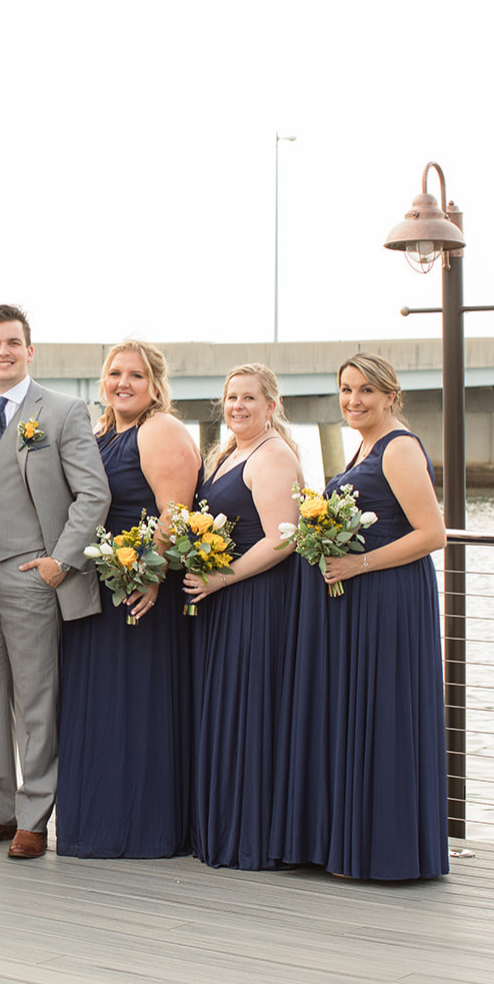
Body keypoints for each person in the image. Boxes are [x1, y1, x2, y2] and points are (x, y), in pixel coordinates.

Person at [272, 353, 448, 879]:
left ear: (391, 395)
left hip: (389, 597)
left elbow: (432, 534)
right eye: (346, 390)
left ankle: (385, 851)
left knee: (385, 712)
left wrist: (360, 562)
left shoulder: (398, 448)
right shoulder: (365, 446)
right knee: (361, 713)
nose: (353, 401)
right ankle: (356, 842)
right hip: (360, 597)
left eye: (366, 391)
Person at [0, 305, 110, 859]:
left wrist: (60, 562)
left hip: (34, 574)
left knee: (37, 699)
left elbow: (94, 494)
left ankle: (35, 815)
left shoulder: (63, 411)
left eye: (13, 342)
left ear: (30, 350)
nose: (3, 352)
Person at [56, 340, 199, 858]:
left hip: (140, 590)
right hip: (98, 586)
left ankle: (142, 828)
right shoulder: (100, 433)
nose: (123, 383)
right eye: (115, 373)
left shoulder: (160, 430)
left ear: (155, 385)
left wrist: (150, 573)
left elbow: (174, 511)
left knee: (136, 705)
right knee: (97, 705)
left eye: (136, 375)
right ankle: (96, 823)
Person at [184, 363, 303, 869]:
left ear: (271, 406)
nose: (237, 406)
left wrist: (221, 577)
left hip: (256, 599)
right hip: (223, 599)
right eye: (231, 398)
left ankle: (250, 837)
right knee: (225, 709)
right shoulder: (229, 452)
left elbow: (284, 536)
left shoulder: (273, 455)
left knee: (250, 710)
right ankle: (221, 828)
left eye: (249, 399)